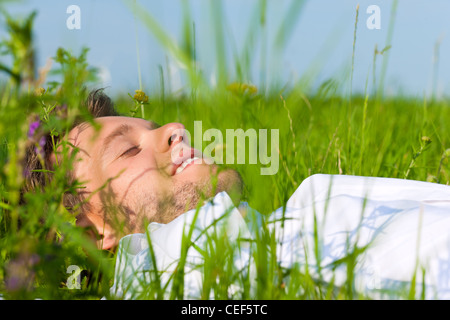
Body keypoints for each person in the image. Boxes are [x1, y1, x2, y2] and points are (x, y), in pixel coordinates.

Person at [22, 90, 450, 300]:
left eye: (153, 127)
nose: (175, 129)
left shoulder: (317, 197)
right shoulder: (175, 281)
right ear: (94, 233)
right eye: (128, 149)